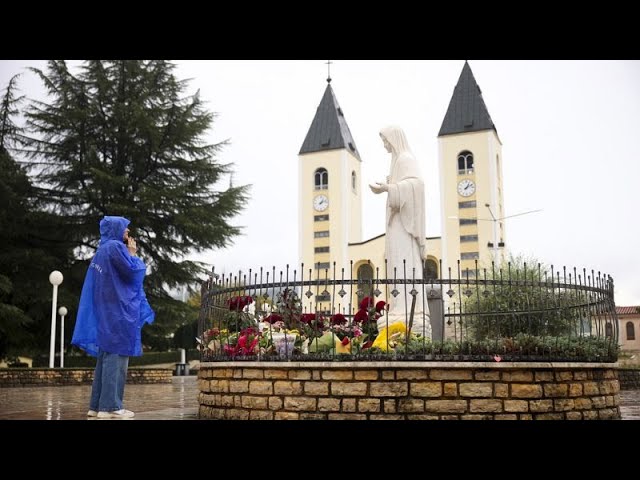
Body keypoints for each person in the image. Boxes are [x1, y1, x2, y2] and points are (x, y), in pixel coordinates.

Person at [71, 216, 154, 419]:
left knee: (106, 357)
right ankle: (111, 407)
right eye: (125, 228)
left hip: (106, 311)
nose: (127, 232)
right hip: (118, 313)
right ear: (116, 229)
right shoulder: (115, 247)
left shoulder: (102, 250)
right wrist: (133, 254)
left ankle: (96, 405)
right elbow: (132, 272)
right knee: (117, 358)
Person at [369, 126, 431, 336]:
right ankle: (399, 307)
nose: (384, 145)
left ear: (394, 139)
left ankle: (409, 309)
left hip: (405, 226)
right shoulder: (397, 161)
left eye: (385, 140)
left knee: (405, 264)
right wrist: (388, 186)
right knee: (396, 264)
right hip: (396, 223)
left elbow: (417, 185)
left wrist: (388, 188)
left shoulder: (405, 159)